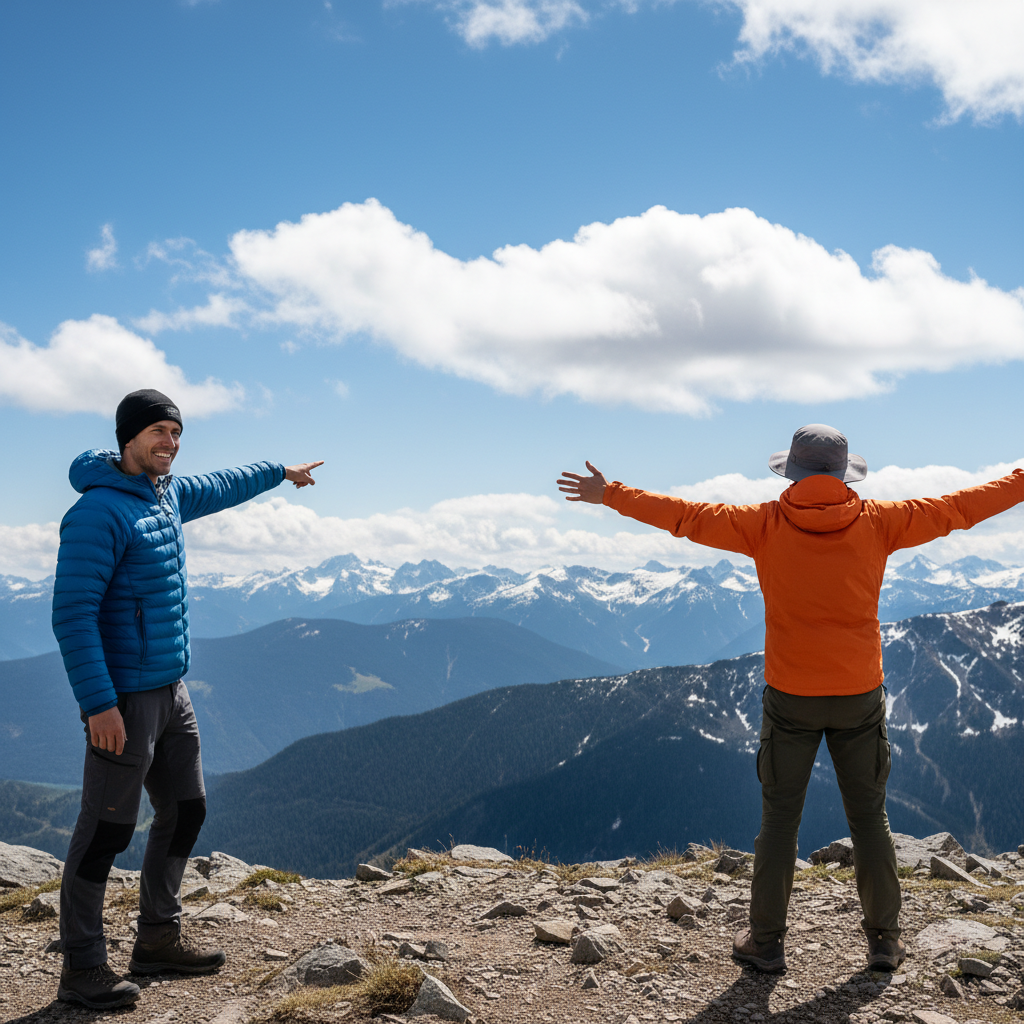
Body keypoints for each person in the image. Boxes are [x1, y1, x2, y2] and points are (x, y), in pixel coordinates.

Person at [557, 425, 1024, 974]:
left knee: (779, 820)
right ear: (844, 472)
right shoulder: (883, 522)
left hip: (790, 695)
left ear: (792, 471)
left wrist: (610, 493)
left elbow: (684, 516)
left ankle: (766, 943)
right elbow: (960, 507)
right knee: (870, 818)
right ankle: (885, 942)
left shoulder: (762, 524)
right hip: (858, 694)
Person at [51, 388, 323, 1010]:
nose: (170, 443)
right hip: (122, 696)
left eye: (177, 433)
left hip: (172, 689)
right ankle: (83, 967)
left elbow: (223, 484)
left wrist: (280, 473)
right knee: (105, 833)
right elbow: (73, 614)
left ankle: (157, 939)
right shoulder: (99, 512)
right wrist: (99, 704)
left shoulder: (164, 494)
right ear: (129, 437)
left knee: (187, 809)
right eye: (159, 432)